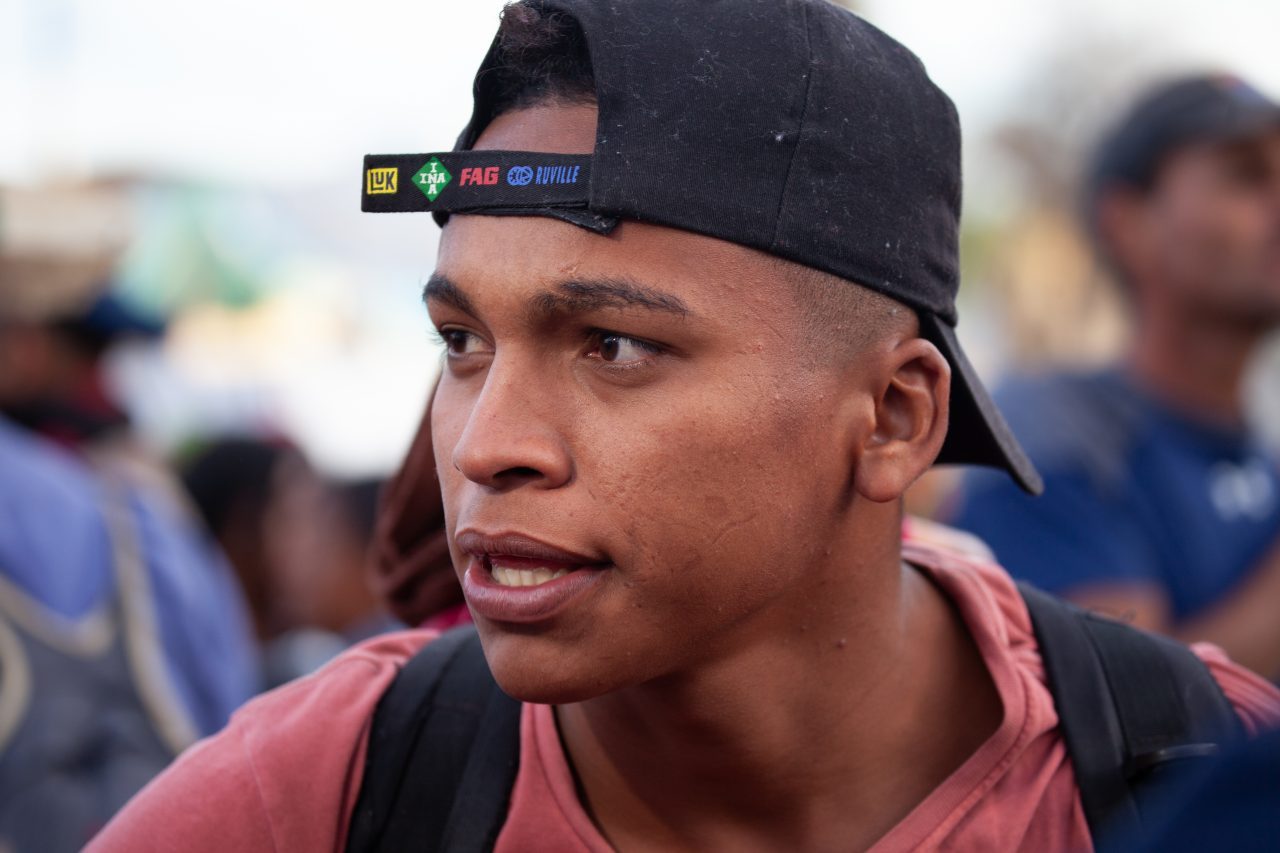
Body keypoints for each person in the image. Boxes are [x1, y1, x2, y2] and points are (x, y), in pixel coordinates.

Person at [90, 4, 1280, 851]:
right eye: (463, 342)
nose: (483, 443)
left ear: (892, 415)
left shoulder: (1181, 760)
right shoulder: (341, 781)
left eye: (613, 345)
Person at [947, 74, 1280, 680]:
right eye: (1246, 177)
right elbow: (1129, 717)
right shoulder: (1050, 436)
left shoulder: (1263, 457)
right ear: (1128, 224)